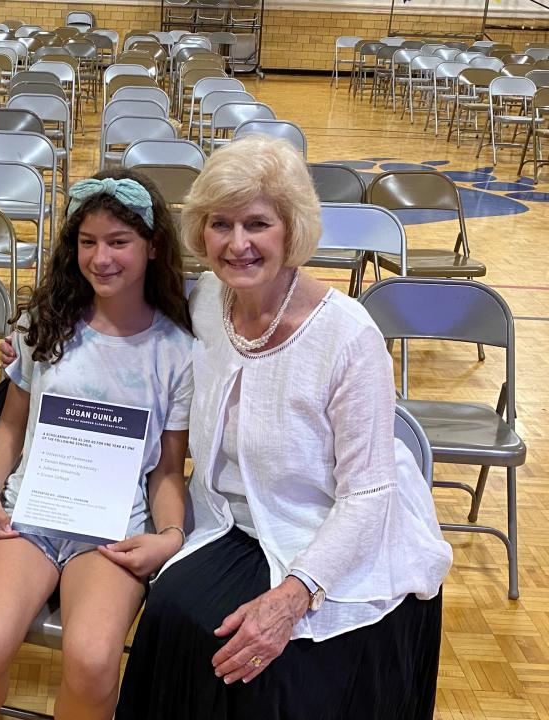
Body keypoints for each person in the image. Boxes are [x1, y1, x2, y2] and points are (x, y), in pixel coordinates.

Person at [112, 135, 453, 719]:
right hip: (230, 521)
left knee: (278, 664)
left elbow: (369, 494)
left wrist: (294, 596)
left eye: (258, 224)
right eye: (220, 223)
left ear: (291, 230)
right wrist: (37, 336)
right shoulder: (206, 302)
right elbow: (120, 325)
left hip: (338, 533)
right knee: (177, 610)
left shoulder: (348, 336)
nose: (237, 244)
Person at [0, 170, 194, 720]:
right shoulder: (47, 325)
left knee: (92, 660)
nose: (101, 257)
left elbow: (168, 469)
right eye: (88, 242)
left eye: (119, 242)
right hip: (30, 514)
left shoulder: (176, 351)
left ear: (153, 247)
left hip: (115, 526)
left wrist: (171, 536)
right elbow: (10, 427)